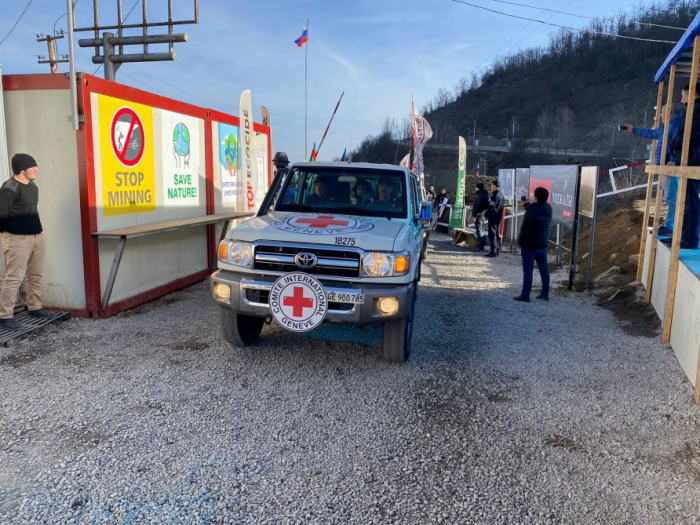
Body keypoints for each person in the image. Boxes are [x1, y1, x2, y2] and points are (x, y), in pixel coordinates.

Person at [0, 154, 52, 330]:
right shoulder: (10, 187)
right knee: (14, 278)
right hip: (17, 238)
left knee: (35, 274)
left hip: (37, 237)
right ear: (22, 169)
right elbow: (1, 214)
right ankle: (4, 316)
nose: (36, 169)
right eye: (33, 167)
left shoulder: (33, 187)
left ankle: (35, 308)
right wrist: (9, 233)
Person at [623, 104, 682, 236]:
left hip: (671, 167)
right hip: (666, 166)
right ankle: (671, 225)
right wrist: (633, 129)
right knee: (671, 197)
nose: (660, 115)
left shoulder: (677, 126)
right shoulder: (666, 127)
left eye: (662, 112)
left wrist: (673, 160)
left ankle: (671, 226)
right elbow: (652, 133)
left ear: (669, 113)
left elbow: (680, 145)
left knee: (673, 198)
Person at [667, 83, 700, 250]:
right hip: (689, 159)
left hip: (692, 160)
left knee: (689, 200)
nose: (682, 99)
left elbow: (692, 135)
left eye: (684, 95)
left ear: (693, 94)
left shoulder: (697, 112)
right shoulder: (693, 111)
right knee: (687, 200)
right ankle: (685, 236)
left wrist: (674, 143)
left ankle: (689, 239)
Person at [513, 187, 553, 302]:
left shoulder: (531, 212)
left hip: (529, 245)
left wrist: (520, 242)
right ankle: (545, 294)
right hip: (542, 244)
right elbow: (537, 213)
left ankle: (525, 295)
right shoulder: (548, 209)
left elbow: (525, 229)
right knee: (544, 270)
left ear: (535, 197)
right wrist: (527, 206)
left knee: (528, 270)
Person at [485, 179, 505, 257]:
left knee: (492, 234)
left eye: (491, 185)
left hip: (493, 216)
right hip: (498, 216)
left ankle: (493, 251)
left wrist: (486, 214)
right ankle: (496, 250)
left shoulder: (495, 196)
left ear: (495, 186)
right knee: (496, 233)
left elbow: (491, 206)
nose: (491, 187)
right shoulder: (501, 195)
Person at [471, 182, 489, 252]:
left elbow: (478, 207)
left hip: (479, 215)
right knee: (481, 229)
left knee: (479, 231)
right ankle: (481, 245)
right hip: (482, 214)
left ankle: (481, 246)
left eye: (476, 187)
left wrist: (475, 215)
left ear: (478, 188)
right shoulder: (485, 195)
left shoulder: (480, 196)